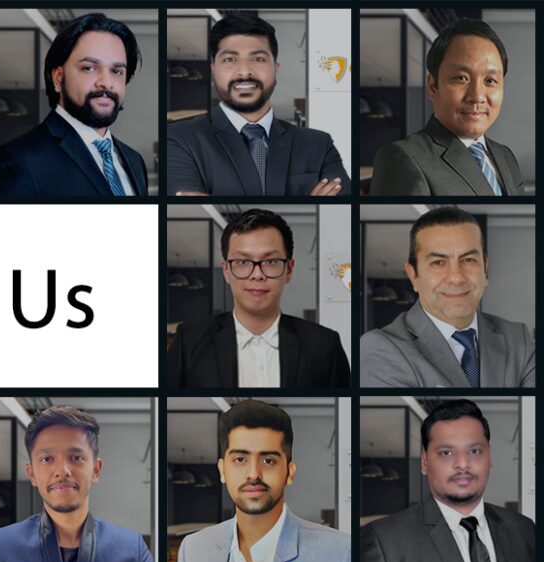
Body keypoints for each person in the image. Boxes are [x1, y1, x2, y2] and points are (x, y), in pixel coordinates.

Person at [167, 13, 349, 196]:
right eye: (230, 59)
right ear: (213, 71)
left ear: (275, 69)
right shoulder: (180, 139)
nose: (245, 71)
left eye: (258, 59)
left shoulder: (319, 144)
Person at [168, 209, 350, 387]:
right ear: (226, 271)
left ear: (289, 270)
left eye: (270, 261)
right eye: (242, 262)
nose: (257, 275)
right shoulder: (189, 341)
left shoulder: (325, 345)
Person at [360, 400, 536, 562]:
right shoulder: (383, 542)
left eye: (474, 451)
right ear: (424, 463)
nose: (463, 464)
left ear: (489, 458)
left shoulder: (524, 530)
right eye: (446, 453)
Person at [360, 207, 535, 387]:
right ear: (414, 276)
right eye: (438, 263)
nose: (456, 278)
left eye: (468, 260)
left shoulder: (518, 339)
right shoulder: (380, 348)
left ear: (484, 269)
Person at [175, 400, 350, 562]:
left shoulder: (339, 553)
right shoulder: (193, 550)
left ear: (289, 472)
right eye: (240, 459)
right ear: (222, 471)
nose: (253, 474)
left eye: (268, 461)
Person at [0, 406, 155, 562]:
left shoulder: (133, 551)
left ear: (95, 470)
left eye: (76, 458)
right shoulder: (2, 548)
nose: (62, 471)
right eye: (47, 459)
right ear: (32, 474)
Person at [0, 13, 148, 197]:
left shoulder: (134, 161)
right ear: (58, 78)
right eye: (89, 68)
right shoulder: (17, 160)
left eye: (116, 71)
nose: (106, 83)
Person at [371, 20, 524, 196]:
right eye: (461, 78)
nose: (477, 96)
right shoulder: (402, 158)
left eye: (490, 81)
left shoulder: (506, 156)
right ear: (432, 86)